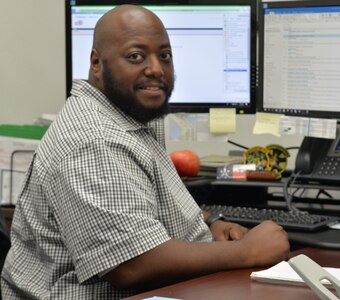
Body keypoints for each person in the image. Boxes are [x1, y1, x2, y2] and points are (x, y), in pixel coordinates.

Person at [1, 5, 289, 299]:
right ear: (96, 62)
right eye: (136, 56)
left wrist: (209, 225)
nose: (155, 68)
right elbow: (131, 265)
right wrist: (246, 252)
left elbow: (139, 206)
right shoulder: (94, 141)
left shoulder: (127, 116)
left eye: (164, 55)